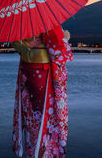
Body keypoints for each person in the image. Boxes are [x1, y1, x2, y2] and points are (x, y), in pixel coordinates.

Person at [11, 26, 73, 158]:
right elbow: (60, 50)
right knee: (46, 117)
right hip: (44, 73)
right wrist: (65, 37)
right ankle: (44, 152)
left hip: (27, 71)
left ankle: (32, 150)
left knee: (31, 115)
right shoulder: (48, 23)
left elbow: (16, 43)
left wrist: (25, 47)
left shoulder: (21, 24)